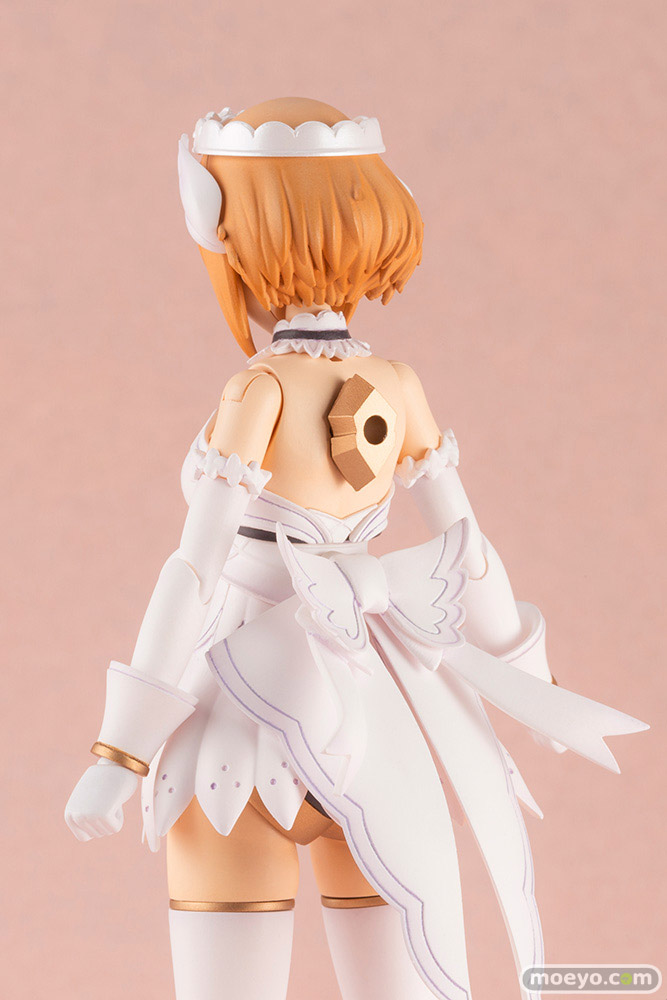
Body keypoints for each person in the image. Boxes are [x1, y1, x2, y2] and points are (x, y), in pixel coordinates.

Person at [66, 97, 647, 1000]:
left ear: (231, 238)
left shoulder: (257, 390)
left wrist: (119, 755)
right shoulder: (397, 384)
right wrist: (530, 681)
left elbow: (193, 572)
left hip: (242, 728)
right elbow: (466, 548)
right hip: (377, 724)